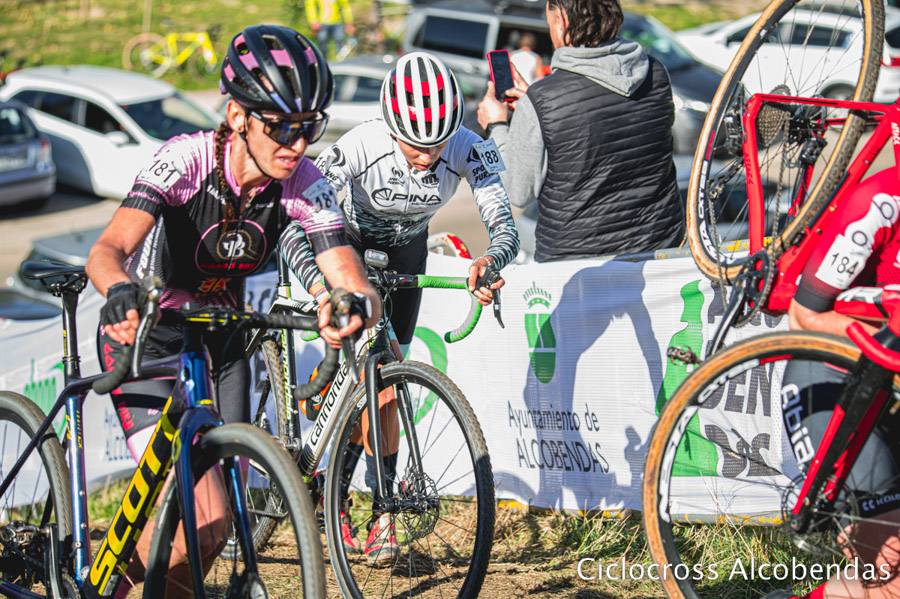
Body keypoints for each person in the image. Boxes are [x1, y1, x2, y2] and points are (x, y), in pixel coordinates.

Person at [85, 24, 381, 598]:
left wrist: (350, 306)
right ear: (237, 115)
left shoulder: (303, 182)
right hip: (150, 340)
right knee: (207, 516)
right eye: (280, 127)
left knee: (215, 530)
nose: (296, 144)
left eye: (309, 127)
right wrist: (120, 289)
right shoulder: (185, 162)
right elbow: (107, 249)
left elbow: (351, 280)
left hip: (221, 347)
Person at [278, 50, 519, 564]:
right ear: (390, 127)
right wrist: (323, 289)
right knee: (370, 384)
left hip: (406, 256)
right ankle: (363, 505)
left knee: (380, 382)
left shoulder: (468, 146)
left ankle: (356, 499)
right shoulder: (359, 146)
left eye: (437, 145)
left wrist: (489, 260)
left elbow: (505, 227)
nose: (427, 157)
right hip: (346, 250)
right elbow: (297, 227)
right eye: (414, 145)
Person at [765, 168, 900, 599]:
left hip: (893, 392)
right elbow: (804, 316)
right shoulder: (881, 201)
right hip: (835, 386)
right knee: (891, 575)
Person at [476, 0, 683, 263]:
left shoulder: (545, 100)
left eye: (550, 24)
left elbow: (516, 191)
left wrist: (495, 127)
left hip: (581, 267)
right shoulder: (656, 73)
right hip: (659, 250)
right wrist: (537, 108)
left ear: (562, 21)